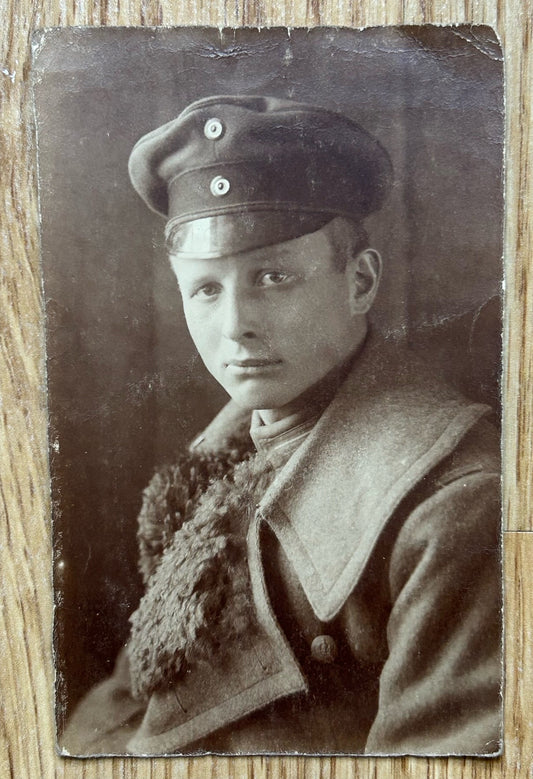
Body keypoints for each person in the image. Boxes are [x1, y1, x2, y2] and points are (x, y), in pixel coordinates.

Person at [62, 95, 502, 756]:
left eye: (271, 277)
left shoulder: (453, 503)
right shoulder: (217, 465)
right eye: (206, 289)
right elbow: (133, 708)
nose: (234, 323)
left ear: (358, 281)